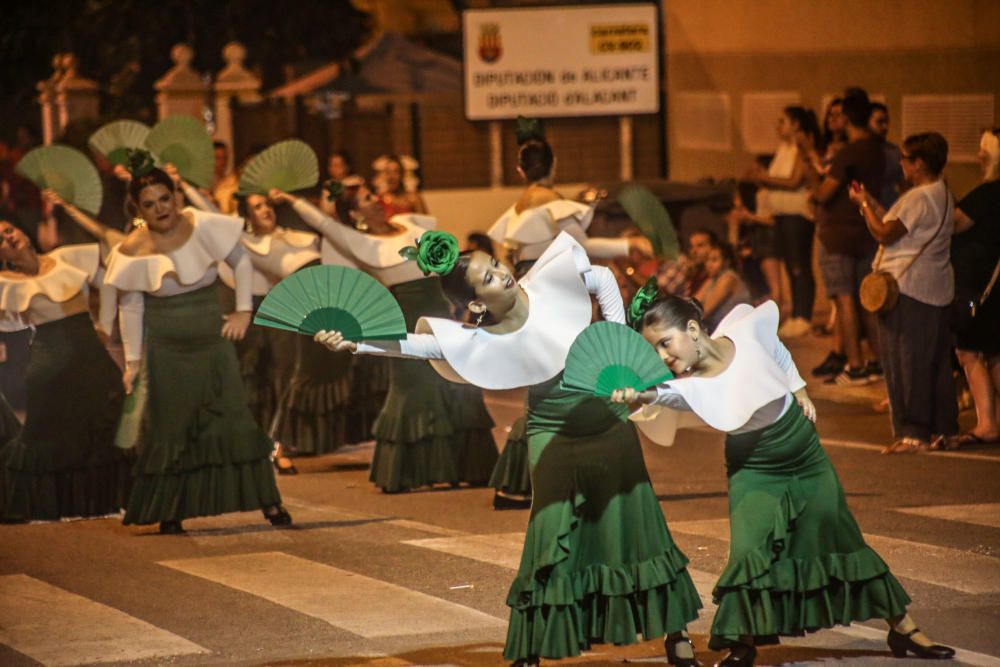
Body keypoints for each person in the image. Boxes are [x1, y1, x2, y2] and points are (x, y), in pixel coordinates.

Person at [315, 230, 703, 667]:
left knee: (637, 521)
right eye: (489, 277)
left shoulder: (548, 283)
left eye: (495, 265)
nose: (502, 273)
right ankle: (532, 647)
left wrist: (616, 335)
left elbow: (601, 277)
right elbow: (417, 345)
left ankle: (677, 635)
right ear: (477, 304)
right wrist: (356, 343)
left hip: (607, 421)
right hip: (552, 429)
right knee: (550, 531)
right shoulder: (479, 339)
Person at [613, 295, 955, 666]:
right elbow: (664, 395)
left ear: (693, 329)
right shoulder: (692, 385)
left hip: (803, 452)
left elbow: (774, 347)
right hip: (754, 467)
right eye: (655, 350)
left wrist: (799, 388)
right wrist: (636, 394)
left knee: (843, 538)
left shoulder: (742, 328)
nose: (663, 356)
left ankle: (903, 628)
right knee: (750, 551)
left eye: (665, 342)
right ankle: (742, 643)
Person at [103, 158, 290, 534]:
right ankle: (172, 510)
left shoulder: (202, 224)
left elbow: (240, 262)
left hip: (212, 339)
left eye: (164, 199)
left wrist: (243, 312)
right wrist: (134, 362)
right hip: (166, 348)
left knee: (234, 418)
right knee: (171, 427)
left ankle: (269, 503)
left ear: (174, 196)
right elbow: (131, 306)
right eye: (150, 204)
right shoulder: (131, 248)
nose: (160, 209)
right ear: (138, 210)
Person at [272, 185, 498, 493]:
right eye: (366, 199)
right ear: (354, 214)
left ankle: (469, 467)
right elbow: (324, 223)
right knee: (412, 390)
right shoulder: (360, 241)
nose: (375, 201)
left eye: (372, 194)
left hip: (440, 314)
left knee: (457, 386)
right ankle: (406, 472)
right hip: (406, 321)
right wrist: (289, 199)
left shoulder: (409, 224)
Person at [0, 221, 130, 521]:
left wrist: (105, 326)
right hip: (49, 369)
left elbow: (110, 279)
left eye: (10, 230)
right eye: (2, 240)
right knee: (44, 439)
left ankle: (99, 502)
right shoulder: (6, 282)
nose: (9, 237)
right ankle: (39, 506)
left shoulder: (67, 258)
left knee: (102, 429)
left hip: (91, 359)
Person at [850, 132, 956, 454]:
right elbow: (896, 224)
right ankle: (943, 430)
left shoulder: (918, 197)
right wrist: (870, 203)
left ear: (920, 163)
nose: (902, 164)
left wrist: (864, 204)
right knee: (934, 363)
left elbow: (884, 232)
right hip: (936, 289)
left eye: (906, 159)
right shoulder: (943, 194)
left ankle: (914, 433)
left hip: (908, 290)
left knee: (905, 363)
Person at [811, 88, 884, 385]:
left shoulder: (849, 153)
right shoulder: (876, 151)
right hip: (865, 233)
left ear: (849, 119)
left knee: (845, 301)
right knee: (866, 301)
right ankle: (877, 361)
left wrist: (811, 172)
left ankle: (855, 365)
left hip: (839, 235)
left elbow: (824, 193)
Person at [946, 129, 1000, 448]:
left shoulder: (987, 193)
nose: (979, 155)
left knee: (969, 351)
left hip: (979, 286)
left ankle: (987, 423)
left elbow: (954, 223)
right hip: (992, 283)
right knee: (994, 351)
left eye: (984, 149)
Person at [749, 106, 819, 337]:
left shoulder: (799, 149)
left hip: (797, 215)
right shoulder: (784, 148)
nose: (778, 126)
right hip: (782, 215)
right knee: (790, 266)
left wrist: (763, 177)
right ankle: (796, 313)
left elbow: (793, 181)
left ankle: (803, 315)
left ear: (796, 124)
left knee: (800, 265)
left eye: (783, 121)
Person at [694, 241, 751, 331]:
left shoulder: (728, 278)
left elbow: (705, 311)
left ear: (726, 262)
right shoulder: (712, 279)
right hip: (716, 331)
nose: (709, 265)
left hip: (733, 332)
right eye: (707, 260)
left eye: (714, 260)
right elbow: (695, 300)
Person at [868, 103, 905, 210]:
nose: (885, 127)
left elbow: (904, 184)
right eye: (879, 122)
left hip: (889, 209)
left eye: (886, 122)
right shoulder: (857, 151)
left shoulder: (894, 152)